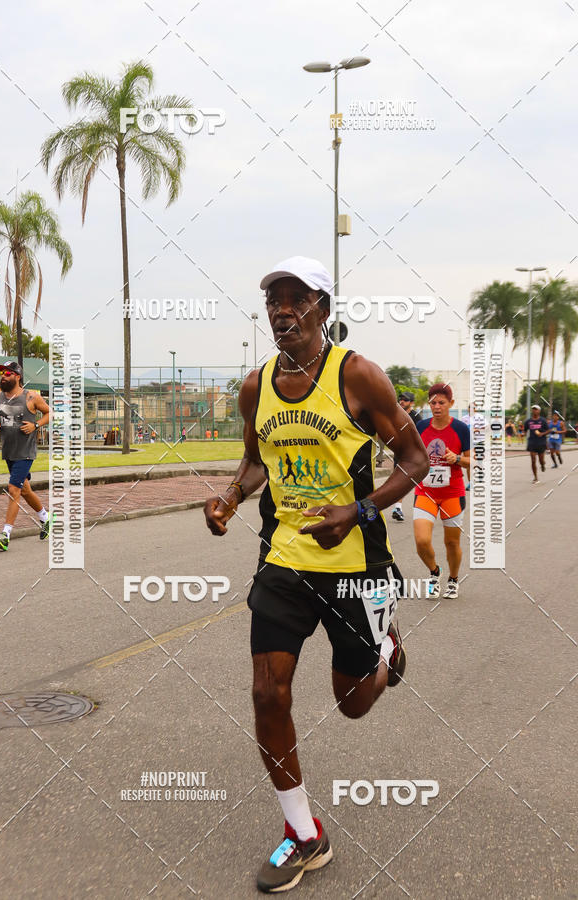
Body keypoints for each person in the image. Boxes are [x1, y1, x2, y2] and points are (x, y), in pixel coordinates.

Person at [204, 256, 429, 894]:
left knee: (353, 703)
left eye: (295, 299)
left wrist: (357, 511)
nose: (281, 311)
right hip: (284, 561)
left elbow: (415, 458)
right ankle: (305, 834)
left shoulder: (358, 377)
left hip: (357, 564)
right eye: (273, 300)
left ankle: (384, 649)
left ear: (323, 309)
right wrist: (229, 497)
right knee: (267, 694)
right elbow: (254, 465)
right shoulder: (256, 387)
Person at [413, 383, 471, 600]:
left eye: (441, 403)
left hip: (452, 494)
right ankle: (435, 572)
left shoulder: (461, 429)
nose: (437, 407)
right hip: (425, 492)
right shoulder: (421, 427)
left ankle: (454, 579)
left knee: (452, 542)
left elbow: (472, 461)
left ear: (451, 404)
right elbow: (413, 455)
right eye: (433, 403)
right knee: (421, 540)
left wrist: (456, 458)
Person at [0, 361, 51, 551]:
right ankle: (46, 519)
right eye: (1, 373)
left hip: (26, 452)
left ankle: (5, 535)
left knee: (14, 489)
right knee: (24, 490)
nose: (3, 376)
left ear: (17, 376)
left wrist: (36, 425)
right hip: (9, 452)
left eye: (7, 373)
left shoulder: (31, 397)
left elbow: (49, 413)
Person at [391, 391, 422, 521]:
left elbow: (420, 437)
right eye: (401, 399)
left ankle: (424, 507)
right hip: (399, 452)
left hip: (412, 454)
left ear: (412, 403)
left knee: (412, 481)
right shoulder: (394, 415)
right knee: (399, 481)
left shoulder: (417, 417)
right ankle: (397, 508)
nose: (402, 401)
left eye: (406, 400)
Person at [524, 404, 549, 483]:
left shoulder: (543, 420)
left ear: (539, 411)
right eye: (533, 409)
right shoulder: (528, 421)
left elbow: (548, 430)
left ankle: (542, 465)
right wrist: (523, 433)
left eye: (536, 409)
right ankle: (535, 477)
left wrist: (542, 434)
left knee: (541, 460)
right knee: (533, 460)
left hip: (541, 442)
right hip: (532, 442)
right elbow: (525, 430)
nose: (534, 410)